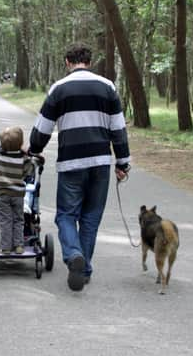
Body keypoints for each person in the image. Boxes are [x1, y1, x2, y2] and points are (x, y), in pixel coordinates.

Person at [29, 43, 131, 291]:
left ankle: (74, 254)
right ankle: (83, 269)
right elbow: (118, 128)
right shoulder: (108, 87)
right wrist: (122, 162)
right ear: (90, 61)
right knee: (91, 218)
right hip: (99, 162)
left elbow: (43, 127)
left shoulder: (59, 89)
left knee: (66, 214)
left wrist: (33, 150)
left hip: (71, 162)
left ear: (67, 62)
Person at [0, 126, 35, 254]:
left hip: (2, 194)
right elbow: (29, 171)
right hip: (18, 194)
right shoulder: (24, 158)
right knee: (18, 219)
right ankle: (19, 245)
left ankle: (5, 247)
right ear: (21, 144)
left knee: (5, 220)